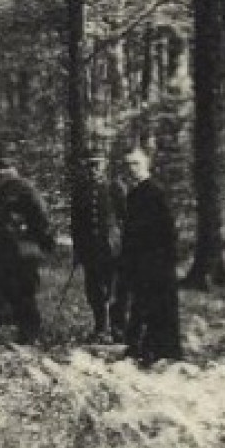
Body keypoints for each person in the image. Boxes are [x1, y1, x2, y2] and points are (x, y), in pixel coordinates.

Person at [118, 146, 183, 363]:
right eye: (128, 165)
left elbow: (167, 230)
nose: (132, 169)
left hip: (156, 261)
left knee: (157, 305)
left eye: (136, 163)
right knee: (140, 304)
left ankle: (158, 349)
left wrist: (163, 259)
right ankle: (139, 347)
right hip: (139, 261)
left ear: (147, 164)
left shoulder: (155, 192)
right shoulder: (134, 193)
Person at [0, 152, 53, 343]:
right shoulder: (2, 190)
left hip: (25, 248)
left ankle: (32, 333)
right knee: (13, 290)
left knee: (25, 291)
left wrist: (35, 238)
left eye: (5, 169)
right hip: (7, 249)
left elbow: (41, 217)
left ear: (13, 169)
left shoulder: (25, 188)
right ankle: (23, 331)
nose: (1, 173)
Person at [79, 152, 127, 342]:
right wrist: (78, 249)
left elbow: (125, 217)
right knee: (93, 289)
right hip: (90, 248)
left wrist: (124, 243)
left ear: (104, 166)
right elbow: (76, 223)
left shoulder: (115, 187)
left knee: (113, 289)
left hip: (111, 248)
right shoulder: (81, 190)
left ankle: (117, 330)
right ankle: (100, 326)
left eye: (97, 165)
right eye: (90, 165)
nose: (94, 169)